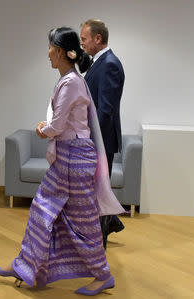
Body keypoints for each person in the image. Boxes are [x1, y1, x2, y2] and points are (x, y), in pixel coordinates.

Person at [0, 27, 124, 296]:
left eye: (51, 47)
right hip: (68, 158)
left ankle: (103, 275)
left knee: (83, 222)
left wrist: (43, 129)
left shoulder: (71, 82)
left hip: (74, 160)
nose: (48, 53)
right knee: (42, 213)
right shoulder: (69, 79)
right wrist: (49, 127)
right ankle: (27, 266)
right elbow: (61, 123)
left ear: (61, 52)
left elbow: (57, 125)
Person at [80, 19, 125, 249]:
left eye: (84, 39)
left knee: (98, 192)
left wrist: (88, 139)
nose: (82, 44)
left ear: (98, 39)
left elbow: (105, 110)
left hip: (101, 140)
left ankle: (99, 245)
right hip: (98, 139)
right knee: (98, 189)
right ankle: (112, 222)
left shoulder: (109, 64)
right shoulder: (99, 62)